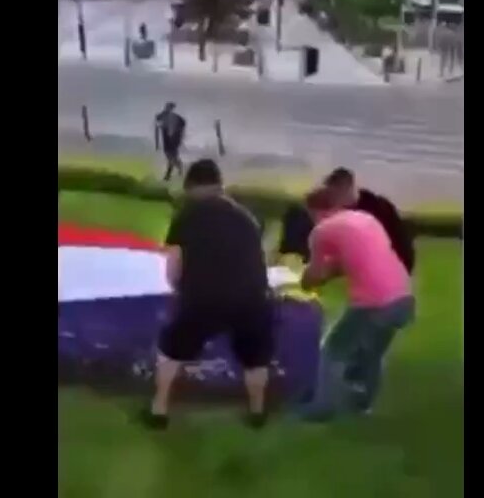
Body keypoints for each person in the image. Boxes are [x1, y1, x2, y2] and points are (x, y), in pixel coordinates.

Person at [144, 159, 273, 430]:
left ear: (192, 186)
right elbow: (256, 260)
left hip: (205, 298)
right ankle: (257, 412)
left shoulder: (188, 215)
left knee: (171, 350)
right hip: (252, 298)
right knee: (255, 356)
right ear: (219, 184)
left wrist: (181, 291)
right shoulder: (246, 217)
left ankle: (159, 410)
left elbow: (173, 267)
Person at [297, 186, 414, 421]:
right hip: (403, 297)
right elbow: (358, 260)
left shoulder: (321, 231)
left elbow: (316, 275)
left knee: (332, 350)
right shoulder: (366, 219)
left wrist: (304, 281)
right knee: (373, 354)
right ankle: (363, 406)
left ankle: (322, 408)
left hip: (373, 301)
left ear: (315, 211)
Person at [278, 168, 416, 274]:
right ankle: (291, 256)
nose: (334, 200)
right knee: (298, 215)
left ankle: (292, 257)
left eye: (335, 194)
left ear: (345, 189)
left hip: (389, 262)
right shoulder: (354, 205)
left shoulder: (374, 210)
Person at [154, 102, 186, 181]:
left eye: (169, 107)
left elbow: (182, 124)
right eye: (167, 107)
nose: (167, 109)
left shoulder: (176, 118)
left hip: (174, 141)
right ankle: (177, 172)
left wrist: (179, 135)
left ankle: (170, 175)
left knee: (171, 157)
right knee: (171, 157)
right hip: (167, 141)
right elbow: (157, 120)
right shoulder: (163, 116)